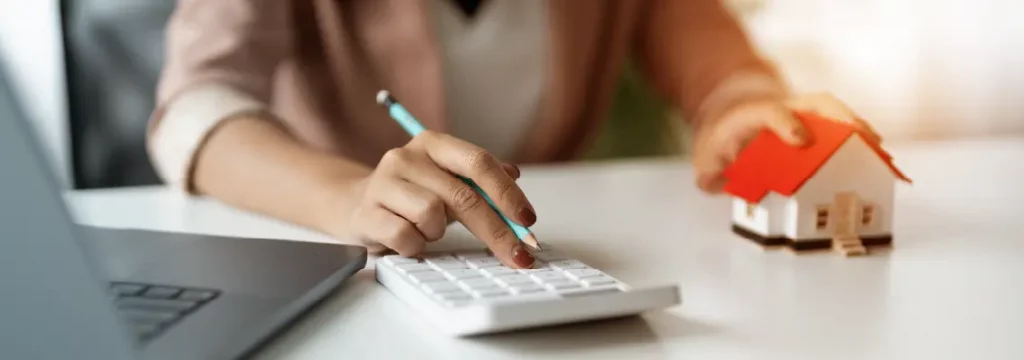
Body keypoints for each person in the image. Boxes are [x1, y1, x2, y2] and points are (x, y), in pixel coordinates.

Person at [148, 0, 879, 269]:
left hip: (546, 266)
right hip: (364, 270)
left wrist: (737, 102)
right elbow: (192, 112)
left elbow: (684, 26)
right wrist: (347, 196)